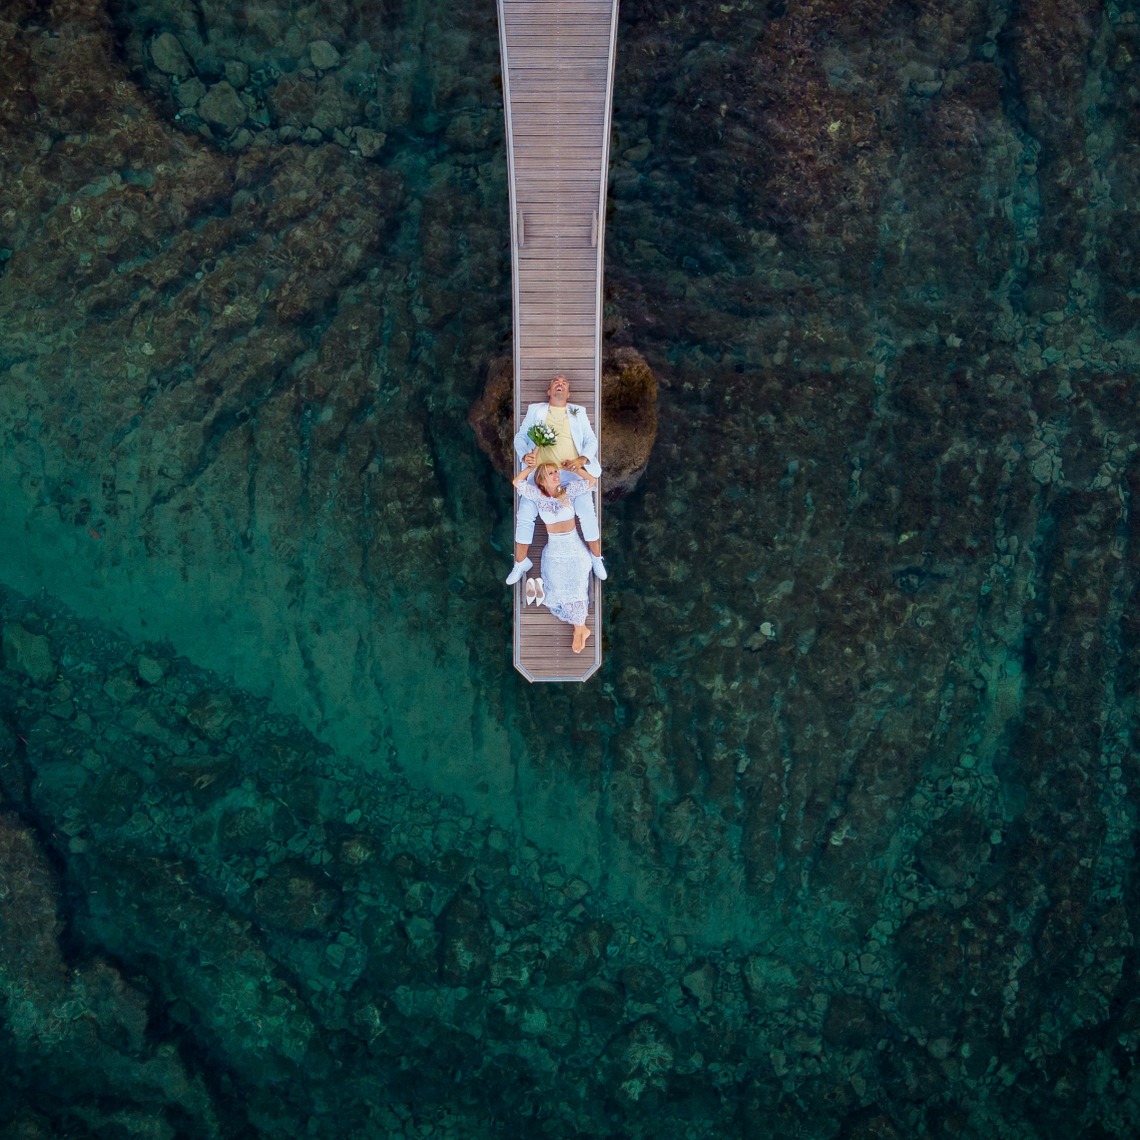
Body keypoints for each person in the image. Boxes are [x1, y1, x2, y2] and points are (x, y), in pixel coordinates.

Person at [504, 375, 607, 584]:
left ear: (568, 394)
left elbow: (590, 440)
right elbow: (520, 438)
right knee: (525, 514)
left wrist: (582, 459)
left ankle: (596, 558)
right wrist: (525, 455)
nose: (560, 383)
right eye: (555, 382)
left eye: (564, 383)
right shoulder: (536, 411)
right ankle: (520, 562)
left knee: (587, 512)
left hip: (571, 473)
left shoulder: (578, 413)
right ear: (549, 392)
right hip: (540, 473)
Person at [511, 458, 598, 653]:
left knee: (575, 587)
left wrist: (574, 468)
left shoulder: (568, 491)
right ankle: (581, 628)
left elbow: (591, 482)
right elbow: (517, 482)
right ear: (541, 480)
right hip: (555, 550)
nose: (556, 474)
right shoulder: (538, 496)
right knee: (559, 589)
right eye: (551, 473)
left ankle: (580, 629)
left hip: (574, 547)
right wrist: (531, 468)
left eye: (555, 472)